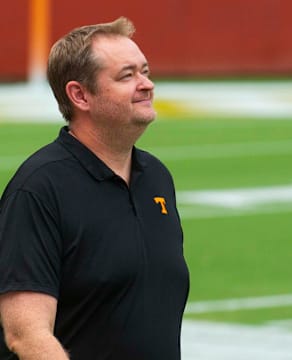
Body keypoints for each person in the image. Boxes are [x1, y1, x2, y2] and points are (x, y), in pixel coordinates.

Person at [0, 17, 189, 360]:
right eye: (126, 76)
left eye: (144, 71)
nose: (146, 84)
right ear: (80, 95)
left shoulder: (157, 179)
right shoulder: (39, 189)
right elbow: (25, 336)